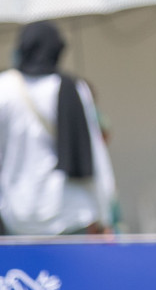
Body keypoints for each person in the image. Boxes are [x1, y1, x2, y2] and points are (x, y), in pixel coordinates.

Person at [0, 21, 116, 236]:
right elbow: (96, 153)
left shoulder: (5, 87)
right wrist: (105, 214)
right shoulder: (73, 87)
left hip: (16, 213)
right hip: (70, 212)